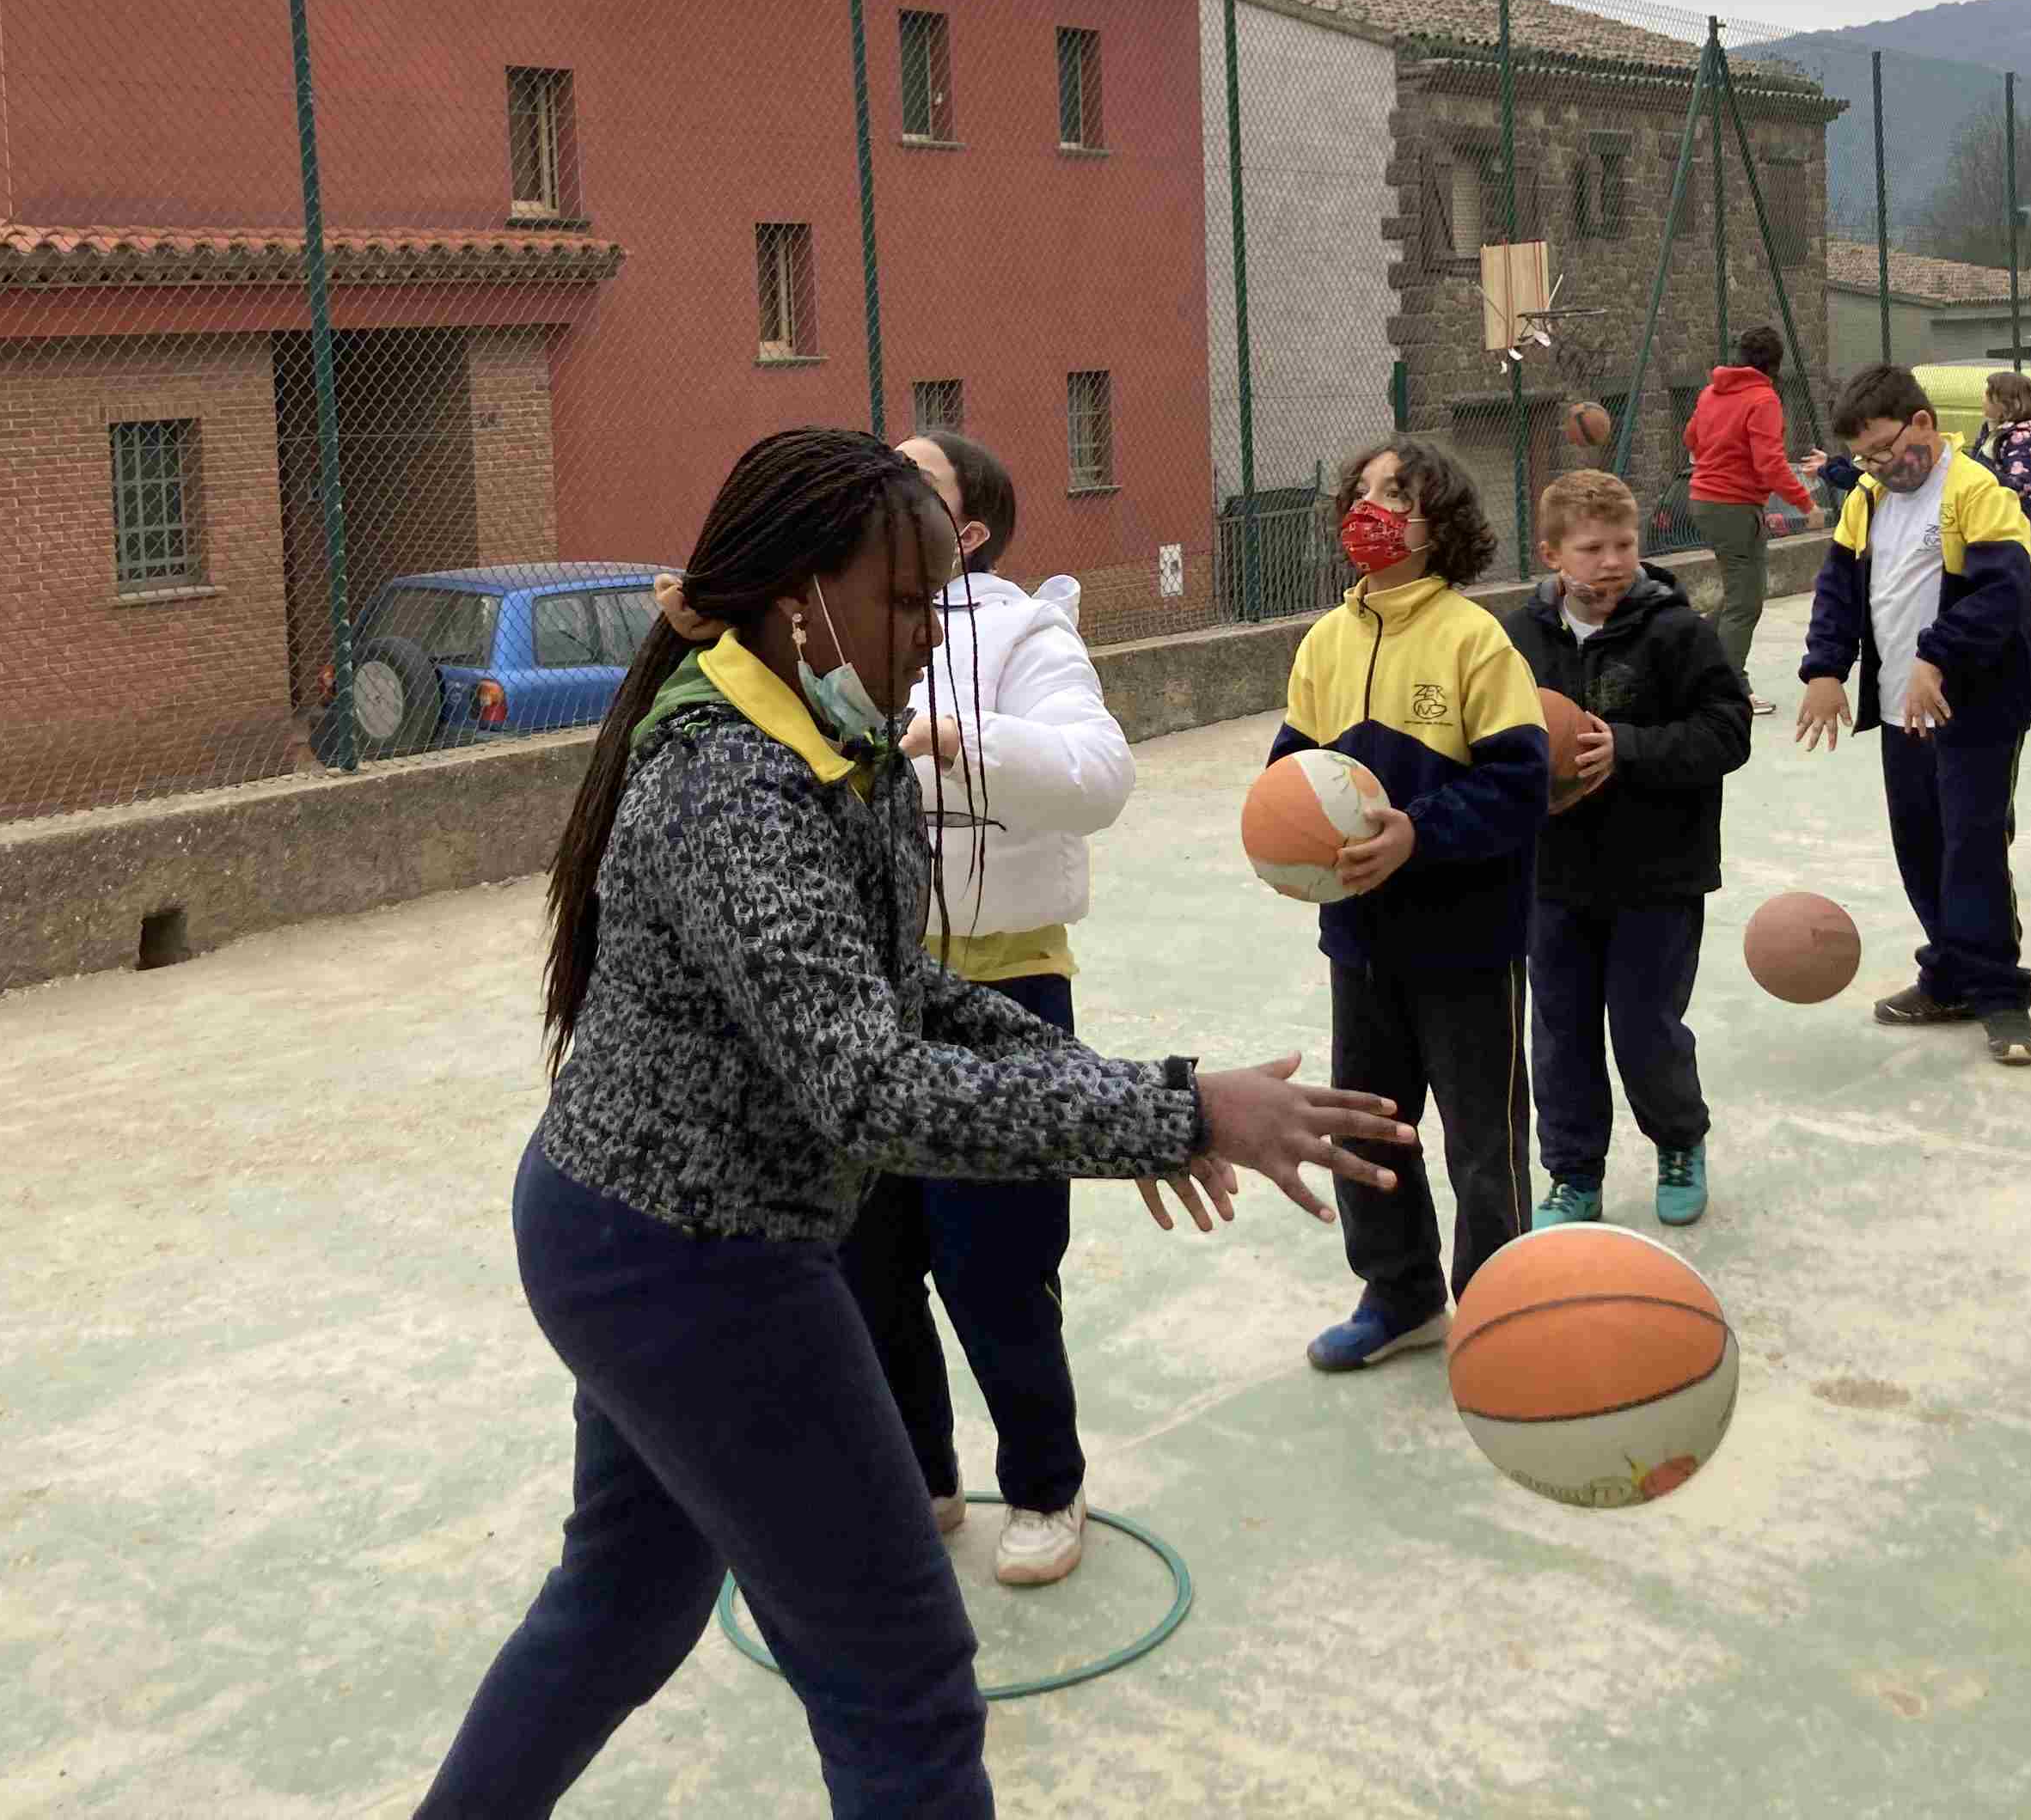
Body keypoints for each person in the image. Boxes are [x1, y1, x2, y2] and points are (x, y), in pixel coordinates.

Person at [420, 427, 1413, 1820]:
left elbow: (906, 989)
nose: (926, 639)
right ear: (794, 597)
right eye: (902, 603)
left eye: (941, 601)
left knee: (625, 1599)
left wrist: (1160, 1094)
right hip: (687, 1260)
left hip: (640, 1232)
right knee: (901, 1671)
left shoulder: (821, 734)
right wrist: (1169, 1109)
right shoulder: (733, 783)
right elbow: (872, 1082)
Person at [840, 431, 1129, 1593]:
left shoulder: (1025, 633)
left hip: (1004, 982)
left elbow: (1098, 776)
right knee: (868, 1257)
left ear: (968, 531)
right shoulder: (845, 622)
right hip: (865, 989)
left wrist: (956, 741)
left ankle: (1048, 1485)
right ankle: (923, 1478)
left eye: (917, 487)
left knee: (994, 1261)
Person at [1274, 437, 1550, 1374]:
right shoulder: (1324, 642)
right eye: (1360, 488)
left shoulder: (1475, 639)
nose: (1370, 504)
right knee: (1366, 1126)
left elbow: (1519, 786)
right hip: (1358, 938)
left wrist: (1417, 833)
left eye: (1396, 492)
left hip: (1467, 940)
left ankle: (1502, 1303)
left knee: (1483, 1141)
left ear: (1442, 526)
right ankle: (1400, 1294)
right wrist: (1284, 836)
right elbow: (1288, 774)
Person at [1503, 467, 1749, 1231]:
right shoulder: (1516, 640)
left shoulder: (1676, 631)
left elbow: (1728, 731)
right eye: (1591, 547)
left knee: (1647, 1029)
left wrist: (1630, 748)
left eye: (1624, 543)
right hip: (1554, 874)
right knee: (1561, 1031)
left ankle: (1680, 1142)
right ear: (1552, 555)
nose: (1612, 561)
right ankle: (1573, 1174)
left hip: (1657, 872)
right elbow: (1488, 737)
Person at [1794, 363, 2031, 1068]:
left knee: (1971, 845)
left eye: (1881, 450)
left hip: (1979, 707)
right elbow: (1838, 593)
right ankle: (1949, 977)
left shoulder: (1977, 492)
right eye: (1862, 458)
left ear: (1923, 425)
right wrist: (1823, 670)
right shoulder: (1867, 501)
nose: (1873, 467)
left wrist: (1936, 657)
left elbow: (2000, 597)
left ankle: (2001, 995)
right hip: (1905, 709)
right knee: (1921, 844)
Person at [1679, 324, 1820, 718]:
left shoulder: (1711, 392)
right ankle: (1729, 690)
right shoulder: (1764, 398)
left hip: (1706, 500)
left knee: (1742, 594)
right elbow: (1770, 463)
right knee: (1746, 602)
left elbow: (1690, 438)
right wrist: (1806, 504)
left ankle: (1694, 655)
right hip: (1734, 507)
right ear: (1775, 365)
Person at [1975, 369, 2031, 537]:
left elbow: (2019, 484)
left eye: (1987, 394)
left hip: (2014, 518)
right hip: (1994, 513)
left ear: (2004, 403)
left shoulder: (2022, 438)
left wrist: (1979, 469)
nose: (1982, 398)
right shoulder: (1992, 429)